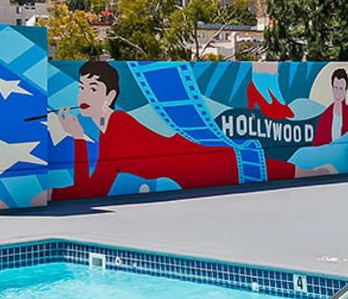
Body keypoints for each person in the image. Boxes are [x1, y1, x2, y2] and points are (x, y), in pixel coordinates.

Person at [50, 61, 331, 200]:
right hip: (188, 157)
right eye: (81, 88)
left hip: (194, 156)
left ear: (110, 96)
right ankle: (314, 172)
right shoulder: (108, 128)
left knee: (258, 167)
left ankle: (315, 172)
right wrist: (78, 138)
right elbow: (94, 183)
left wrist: (76, 138)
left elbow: (96, 185)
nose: (83, 95)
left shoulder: (117, 127)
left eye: (93, 89)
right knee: (257, 165)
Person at [311, 67, 348, 146]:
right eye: (335, 87)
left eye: (341, 88)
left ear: (345, 91)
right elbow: (317, 146)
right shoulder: (325, 117)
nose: (338, 92)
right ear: (332, 88)